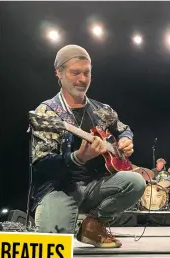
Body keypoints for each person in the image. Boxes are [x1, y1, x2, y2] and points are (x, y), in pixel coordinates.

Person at [30, 44, 146, 248]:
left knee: (136, 182)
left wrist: (126, 140)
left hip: (94, 186)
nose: (82, 79)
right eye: (75, 73)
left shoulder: (102, 110)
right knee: (52, 245)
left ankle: (93, 224)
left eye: (87, 73)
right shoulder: (47, 113)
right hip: (58, 189)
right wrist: (78, 157)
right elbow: (41, 163)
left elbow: (124, 128)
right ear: (59, 72)